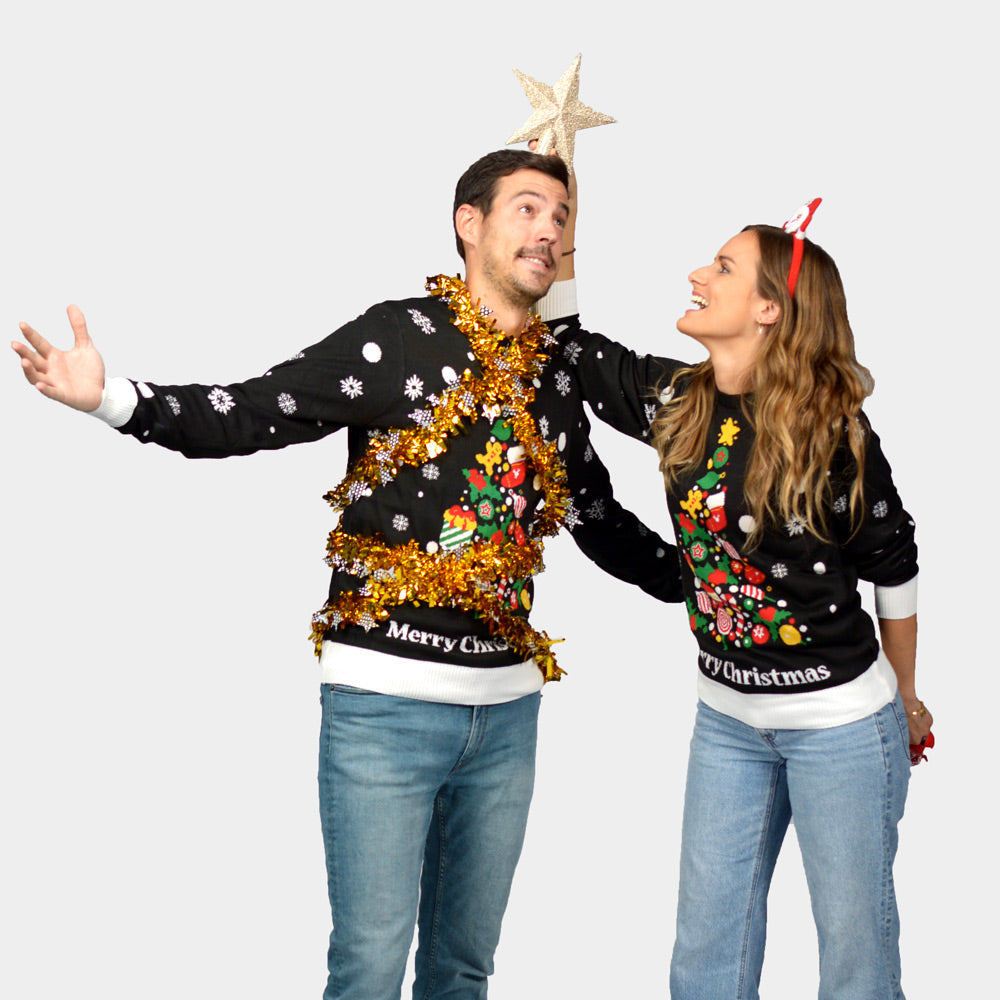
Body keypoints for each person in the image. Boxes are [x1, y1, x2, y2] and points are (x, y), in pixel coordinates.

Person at [11, 149, 682, 1000]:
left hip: (506, 717)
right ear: (467, 224)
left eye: (562, 216)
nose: (548, 229)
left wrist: (711, 585)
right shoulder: (399, 338)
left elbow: (598, 519)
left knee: (463, 971)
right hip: (385, 708)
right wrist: (117, 400)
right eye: (526, 209)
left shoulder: (555, 373)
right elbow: (257, 411)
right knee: (366, 971)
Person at [542, 199, 931, 999]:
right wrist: (566, 228)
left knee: (856, 964)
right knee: (706, 960)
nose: (695, 274)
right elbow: (569, 349)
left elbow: (893, 563)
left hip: (843, 732)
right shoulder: (676, 400)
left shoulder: (837, 437)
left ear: (768, 309)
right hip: (727, 723)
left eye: (721, 268)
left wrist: (910, 695)